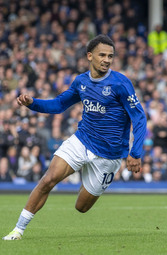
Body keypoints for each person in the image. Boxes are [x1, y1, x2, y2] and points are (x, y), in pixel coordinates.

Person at [2, 34, 147, 240]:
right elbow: (59, 105)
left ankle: (87, 176)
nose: (107, 59)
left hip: (109, 155)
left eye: (110, 56)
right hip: (82, 140)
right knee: (48, 179)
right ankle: (18, 229)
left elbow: (139, 118)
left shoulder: (121, 84)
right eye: (102, 55)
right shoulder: (81, 82)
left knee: (82, 207)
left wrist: (136, 152)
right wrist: (32, 103)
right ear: (90, 56)